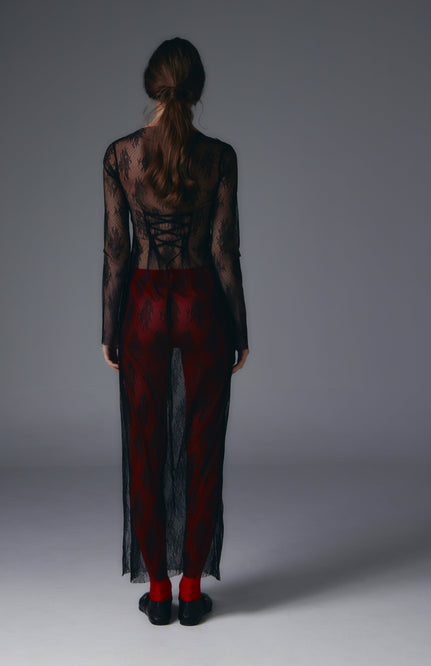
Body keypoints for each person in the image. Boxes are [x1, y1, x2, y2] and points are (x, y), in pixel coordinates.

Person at [101, 37, 250, 626]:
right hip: (202, 305)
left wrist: (109, 329)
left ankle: (157, 593)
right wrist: (240, 330)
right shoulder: (220, 156)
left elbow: (117, 250)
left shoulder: (120, 154)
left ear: (151, 85)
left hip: (142, 306)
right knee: (202, 444)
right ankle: (192, 590)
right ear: (197, 88)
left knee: (145, 445)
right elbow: (224, 251)